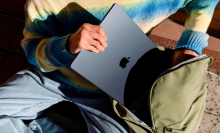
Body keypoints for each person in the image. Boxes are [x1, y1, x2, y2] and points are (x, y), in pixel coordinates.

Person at [0, 0, 219, 132]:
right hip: (54, 78)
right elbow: (32, 48)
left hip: (112, 93)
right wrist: (65, 46)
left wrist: (190, 46)